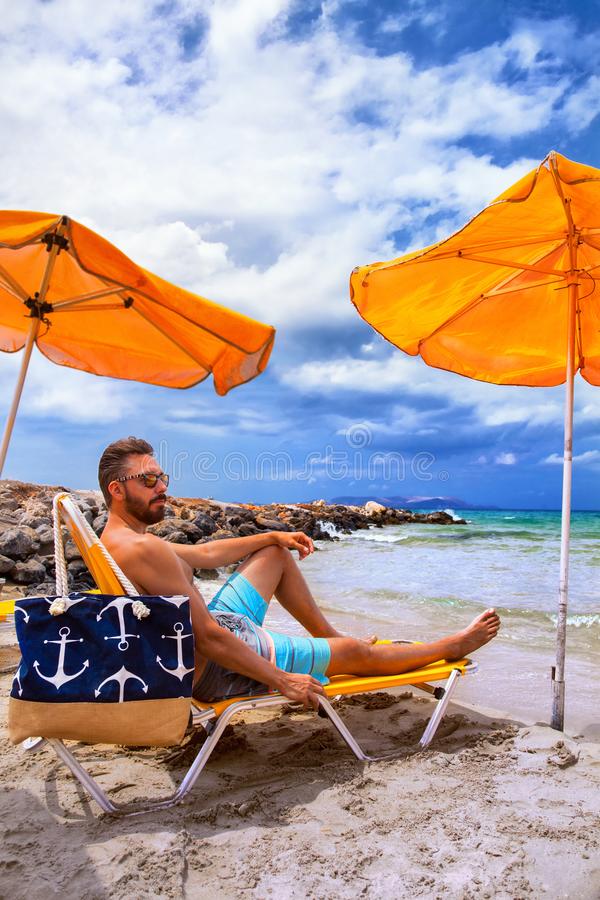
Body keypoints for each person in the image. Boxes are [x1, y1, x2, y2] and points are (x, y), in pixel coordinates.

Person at [99, 437, 501, 709]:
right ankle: (448, 648)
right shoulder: (143, 547)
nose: (162, 487)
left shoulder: (120, 541)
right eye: (148, 480)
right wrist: (283, 679)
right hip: (221, 665)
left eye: (162, 477)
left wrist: (271, 534)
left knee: (275, 553)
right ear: (118, 490)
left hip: (222, 635)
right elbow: (206, 637)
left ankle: (328, 639)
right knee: (357, 654)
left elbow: (204, 553)